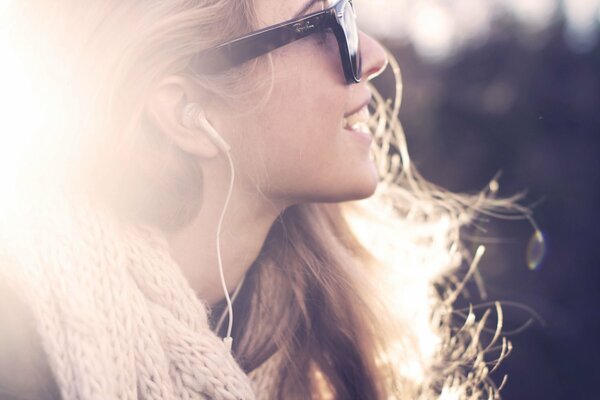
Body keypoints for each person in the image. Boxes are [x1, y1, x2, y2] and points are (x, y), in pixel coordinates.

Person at [0, 0, 513, 399]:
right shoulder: (24, 355)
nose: (374, 57)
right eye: (325, 23)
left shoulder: (316, 330)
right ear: (186, 113)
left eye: (349, 10)